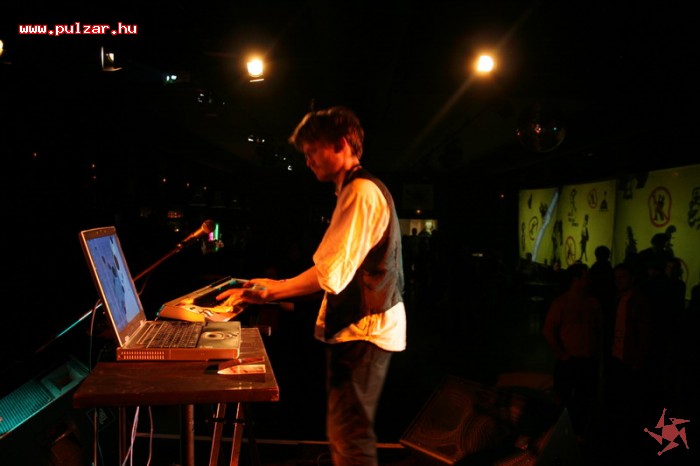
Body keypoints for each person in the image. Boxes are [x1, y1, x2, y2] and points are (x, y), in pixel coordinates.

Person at [217, 106, 406, 466]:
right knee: (346, 432)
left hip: (364, 331)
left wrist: (269, 292)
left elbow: (329, 273)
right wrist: (275, 284)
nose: (307, 160)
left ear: (341, 144)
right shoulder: (356, 189)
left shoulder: (361, 192)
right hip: (364, 328)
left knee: (349, 436)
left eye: (312, 150)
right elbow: (336, 270)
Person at [542, 263, 603, 438]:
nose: (589, 280)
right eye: (586, 277)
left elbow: (599, 328)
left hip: (583, 359)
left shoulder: (591, 302)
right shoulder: (562, 303)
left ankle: (573, 434)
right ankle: (567, 434)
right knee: (567, 398)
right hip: (572, 359)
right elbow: (548, 331)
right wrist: (562, 354)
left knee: (582, 399)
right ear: (575, 279)